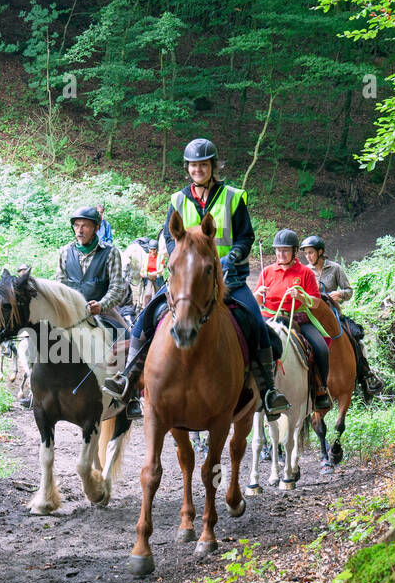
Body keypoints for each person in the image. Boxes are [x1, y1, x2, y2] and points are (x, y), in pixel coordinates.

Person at [104, 138, 288, 419]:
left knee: (256, 322)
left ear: (213, 167)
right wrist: (182, 259)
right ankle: (127, 380)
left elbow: (245, 237)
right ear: (188, 168)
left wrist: (226, 260)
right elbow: (169, 234)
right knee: (145, 319)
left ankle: (268, 390)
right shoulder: (178, 199)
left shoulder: (233, 197)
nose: (198, 169)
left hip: (229, 278)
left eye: (203, 164)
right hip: (185, 279)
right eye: (193, 165)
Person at [254, 229, 332, 411]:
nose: (281, 254)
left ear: (295, 251)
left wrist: (301, 296)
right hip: (270, 318)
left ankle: (321, 389)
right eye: (278, 250)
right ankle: (251, 389)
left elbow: (315, 302)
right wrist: (257, 295)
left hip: (298, 319)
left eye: (285, 250)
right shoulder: (266, 272)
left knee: (321, 348)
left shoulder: (305, 273)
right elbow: (257, 302)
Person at [299, 234, 380, 397]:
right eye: (306, 253)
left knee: (356, 337)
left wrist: (340, 294)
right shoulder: (305, 271)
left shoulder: (335, 268)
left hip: (334, 314)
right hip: (313, 316)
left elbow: (349, 291)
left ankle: (366, 372)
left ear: (320, 252)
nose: (308, 257)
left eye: (311, 253)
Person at [58, 206, 128, 335]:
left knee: (129, 339)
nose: (79, 230)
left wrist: (102, 305)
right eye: (76, 225)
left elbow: (117, 288)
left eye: (85, 226)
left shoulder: (110, 252)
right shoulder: (65, 252)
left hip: (102, 311)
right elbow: (60, 285)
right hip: (71, 311)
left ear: (96, 228)